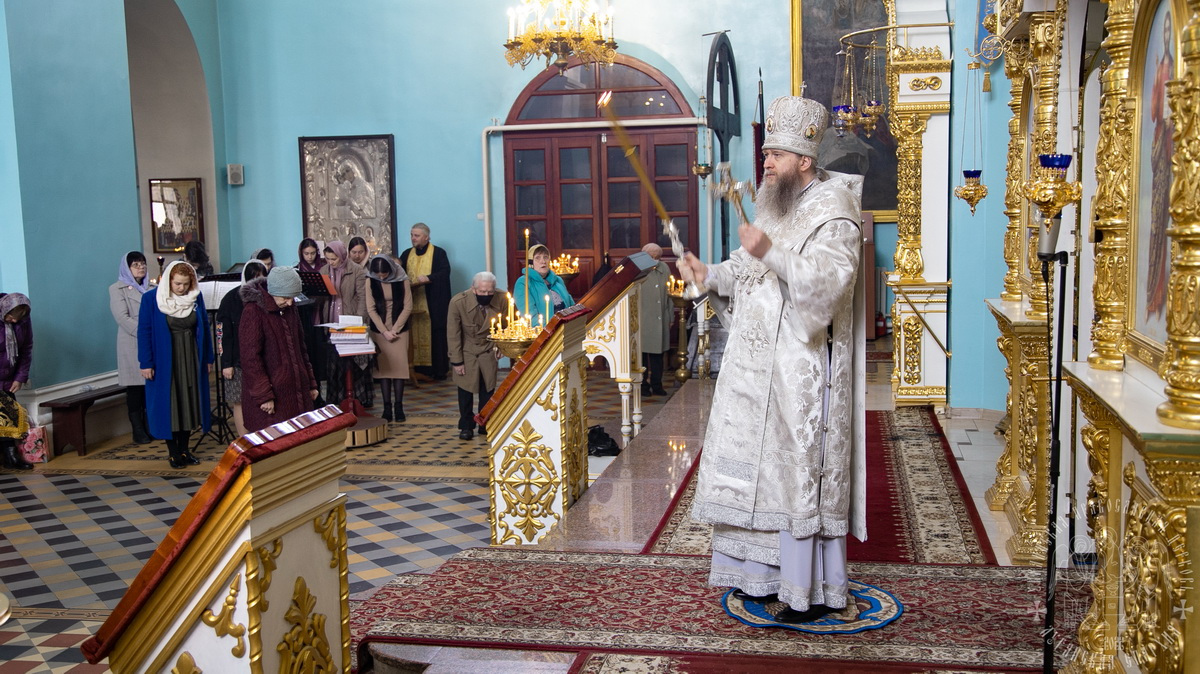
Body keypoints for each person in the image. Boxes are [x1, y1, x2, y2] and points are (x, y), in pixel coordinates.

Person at [679, 95, 866, 624]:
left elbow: (829, 284)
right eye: (765, 154)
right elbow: (744, 271)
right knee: (759, 475)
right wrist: (707, 274)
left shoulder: (835, 209)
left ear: (804, 160)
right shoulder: (773, 205)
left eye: (774, 155)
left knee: (795, 475)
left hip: (801, 371)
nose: (764, 162)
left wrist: (770, 251)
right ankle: (759, 577)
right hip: (752, 367)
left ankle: (807, 591)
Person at [138, 261, 214, 469]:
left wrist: (208, 358)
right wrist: (146, 362)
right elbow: (144, 331)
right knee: (170, 404)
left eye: (186, 284)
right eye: (178, 284)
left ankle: (184, 449)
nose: (182, 288)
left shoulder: (195, 297)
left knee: (188, 402)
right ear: (168, 280)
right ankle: (173, 452)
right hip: (164, 359)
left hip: (190, 356)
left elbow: (204, 327)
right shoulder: (151, 299)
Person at [239, 267, 319, 433]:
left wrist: (310, 383)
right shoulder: (253, 311)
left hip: (295, 391)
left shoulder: (290, 308)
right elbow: (250, 359)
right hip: (271, 396)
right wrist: (264, 395)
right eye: (286, 297)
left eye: (292, 298)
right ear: (273, 292)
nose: (290, 302)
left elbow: (301, 348)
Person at [448, 272, 507, 440]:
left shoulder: (502, 299)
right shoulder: (458, 302)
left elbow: (510, 325)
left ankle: (484, 423)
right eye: (482, 292)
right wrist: (457, 361)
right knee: (465, 389)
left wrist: (503, 345)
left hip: (489, 348)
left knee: (487, 389)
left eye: (490, 292)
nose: (486, 295)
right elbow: (453, 334)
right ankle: (466, 425)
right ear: (473, 289)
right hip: (467, 350)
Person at [216, 260, 269, 436]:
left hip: (261, 358)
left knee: (262, 398)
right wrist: (226, 363)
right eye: (254, 277)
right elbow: (223, 333)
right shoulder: (231, 298)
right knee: (238, 400)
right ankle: (244, 439)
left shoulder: (268, 296)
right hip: (236, 360)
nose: (257, 281)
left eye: (261, 277)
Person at [321, 239, 372, 407]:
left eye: (334, 259)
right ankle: (336, 399)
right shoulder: (324, 270)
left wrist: (359, 321)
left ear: (342, 256)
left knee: (353, 363)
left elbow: (362, 298)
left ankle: (358, 399)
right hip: (332, 320)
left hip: (351, 321)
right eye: (328, 259)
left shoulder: (356, 270)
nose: (331, 262)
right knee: (334, 363)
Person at [109, 252, 154, 444]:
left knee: (150, 386)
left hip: (152, 340)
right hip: (132, 341)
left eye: (143, 263)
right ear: (127, 268)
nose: (141, 267)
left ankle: (151, 425)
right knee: (135, 387)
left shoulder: (152, 287)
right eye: (136, 265)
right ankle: (137, 429)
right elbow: (122, 317)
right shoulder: (117, 289)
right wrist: (145, 332)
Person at [399, 223, 451, 380]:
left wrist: (429, 278)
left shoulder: (438, 253)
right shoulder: (406, 254)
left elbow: (444, 273)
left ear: (427, 237)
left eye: (417, 235)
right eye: (412, 235)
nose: (413, 238)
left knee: (436, 335)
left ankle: (437, 371)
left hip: (432, 303)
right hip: (412, 302)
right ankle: (415, 369)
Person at [364, 255, 413, 423]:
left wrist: (395, 329)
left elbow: (408, 306)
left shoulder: (402, 279)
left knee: (399, 370)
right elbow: (370, 309)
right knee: (384, 370)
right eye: (378, 274)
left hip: (400, 330)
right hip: (379, 330)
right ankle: (386, 408)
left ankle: (399, 407)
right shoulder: (370, 281)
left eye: (384, 274)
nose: (381, 277)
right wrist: (384, 331)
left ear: (390, 270)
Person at [0, 293, 33, 470]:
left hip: (8, 376)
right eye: (11, 317)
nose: (14, 321)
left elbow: (26, 349)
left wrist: (20, 378)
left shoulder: (23, 320)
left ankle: (11, 457)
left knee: (8, 415)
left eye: (17, 319)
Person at [638, 243, 673, 397]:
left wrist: (670, 316)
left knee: (658, 355)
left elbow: (670, 292)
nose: (655, 260)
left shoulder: (664, 268)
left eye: (657, 257)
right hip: (642, 318)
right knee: (642, 355)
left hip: (660, 318)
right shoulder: (637, 268)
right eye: (652, 257)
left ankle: (657, 384)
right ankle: (642, 385)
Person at [297, 237, 329, 401]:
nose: (310, 257)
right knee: (308, 355)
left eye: (312, 253)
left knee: (321, 357)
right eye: (306, 253)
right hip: (305, 317)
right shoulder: (297, 269)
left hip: (321, 314)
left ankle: (322, 393)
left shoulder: (323, 268)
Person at [512, 244, 573, 322]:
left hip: (568, 326)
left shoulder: (558, 280)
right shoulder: (523, 283)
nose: (543, 261)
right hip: (544, 328)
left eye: (546, 257)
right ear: (531, 263)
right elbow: (531, 317)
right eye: (538, 258)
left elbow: (572, 306)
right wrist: (550, 328)